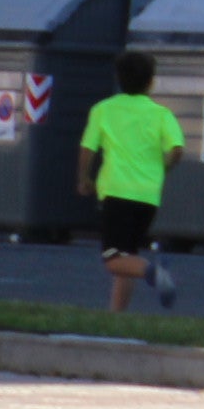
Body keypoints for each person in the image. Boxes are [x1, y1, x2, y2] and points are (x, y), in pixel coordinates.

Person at [79, 48, 185, 314]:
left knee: (113, 260)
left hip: (116, 191)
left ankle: (154, 272)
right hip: (148, 195)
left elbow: (87, 149)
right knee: (127, 255)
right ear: (151, 81)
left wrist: (84, 178)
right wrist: (165, 166)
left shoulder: (103, 109)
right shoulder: (161, 114)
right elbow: (176, 149)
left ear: (118, 78)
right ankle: (117, 316)